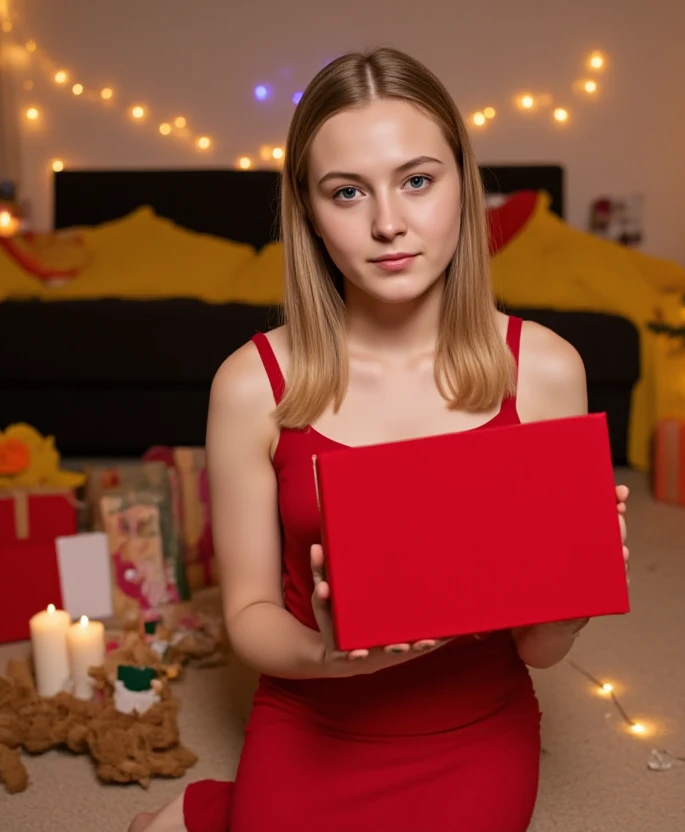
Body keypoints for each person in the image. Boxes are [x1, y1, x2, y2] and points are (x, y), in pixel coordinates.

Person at [129, 45, 630, 832]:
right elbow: (253, 613)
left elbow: (539, 650)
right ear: (308, 211)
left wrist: (576, 599)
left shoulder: (544, 371)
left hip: (475, 731)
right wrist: (331, 658)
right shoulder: (250, 384)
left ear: (463, 185)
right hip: (313, 720)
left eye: (417, 180)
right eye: (347, 192)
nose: (388, 222)